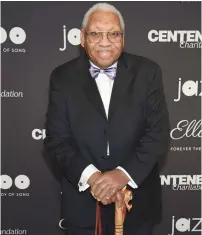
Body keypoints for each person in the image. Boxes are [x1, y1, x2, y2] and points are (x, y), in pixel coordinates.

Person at [44, 3, 170, 235]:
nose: (105, 41)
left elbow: (157, 134)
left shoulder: (148, 72)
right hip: (82, 206)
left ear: (123, 38)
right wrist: (94, 178)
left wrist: (122, 175)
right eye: (95, 33)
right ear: (82, 38)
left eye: (113, 33)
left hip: (137, 204)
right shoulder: (62, 77)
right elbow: (57, 140)